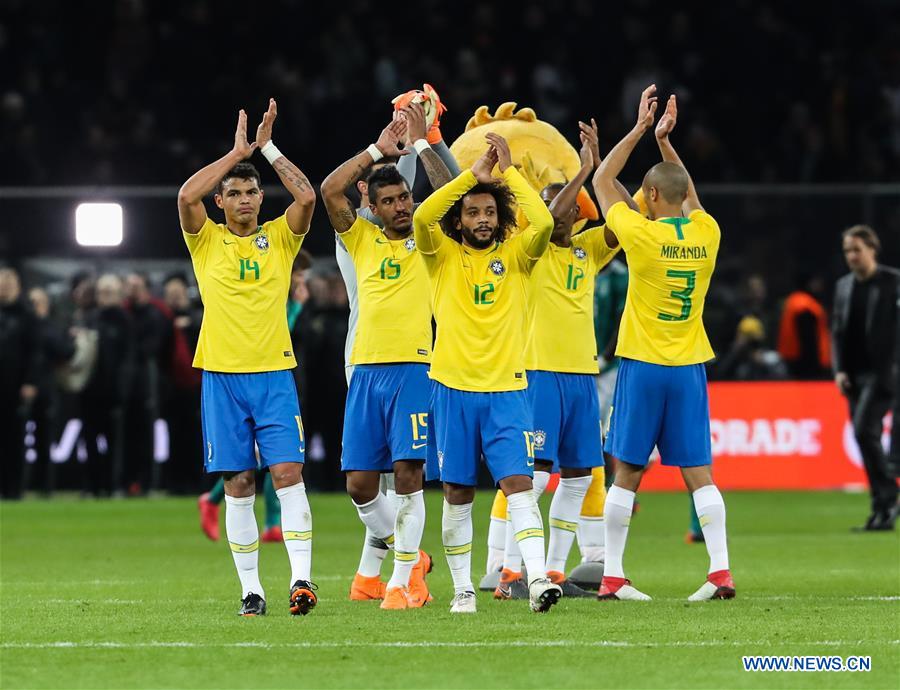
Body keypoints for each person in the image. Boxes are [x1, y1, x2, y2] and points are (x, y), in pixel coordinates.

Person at [592, 87, 734, 601]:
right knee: (699, 472)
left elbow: (603, 180)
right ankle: (720, 571)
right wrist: (666, 143)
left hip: (644, 366)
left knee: (627, 470)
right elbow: (688, 193)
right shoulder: (708, 231)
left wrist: (638, 131)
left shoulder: (642, 235)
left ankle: (612, 575)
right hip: (690, 365)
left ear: (650, 197)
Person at [177, 100, 317, 616]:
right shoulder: (205, 240)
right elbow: (185, 194)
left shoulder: (279, 237)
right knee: (238, 483)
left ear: (261, 197)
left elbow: (306, 196)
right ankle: (251, 592)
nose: (244, 199)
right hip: (221, 376)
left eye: (251, 191)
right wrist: (235, 152)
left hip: (273, 374)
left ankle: (302, 581)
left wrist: (269, 148)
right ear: (221, 202)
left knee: (287, 475)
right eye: (233, 193)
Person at [413, 133, 563, 614]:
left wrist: (508, 173)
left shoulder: (519, 256)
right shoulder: (441, 256)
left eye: (490, 212)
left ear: (500, 219)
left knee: (519, 484)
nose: (482, 220)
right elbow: (421, 216)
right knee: (457, 493)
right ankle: (461, 590)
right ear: (460, 219)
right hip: (453, 390)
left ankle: (537, 579)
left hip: (506, 393)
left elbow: (542, 219)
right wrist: (469, 179)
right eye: (473, 212)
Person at [320, 104, 452, 609]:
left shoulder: (429, 241)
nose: (401, 206)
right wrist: (378, 149)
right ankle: (410, 556)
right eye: (391, 200)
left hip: (415, 368)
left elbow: (450, 196)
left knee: (408, 477)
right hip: (366, 371)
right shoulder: (361, 240)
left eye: (406, 198)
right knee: (358, 485)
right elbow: (329, 191)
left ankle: (401, 584)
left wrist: (424, 141)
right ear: (373, 207)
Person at [831, 225, 899, 531]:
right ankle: (882, 507)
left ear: (873, 248)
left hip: (884, 373)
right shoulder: (844, 286)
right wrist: (840, 370)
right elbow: (837, 331)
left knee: (862, 430)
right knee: (864, 436)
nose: (852, 256)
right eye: (847, 251)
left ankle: (889, 496)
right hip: (854, 376)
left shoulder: (893, 283)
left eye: (857, 249)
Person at [0, 268, 40, 500]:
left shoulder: (27, 315)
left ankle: (14, 488)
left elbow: (35, 352)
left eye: (8, 284)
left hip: (15, 385)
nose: (4, 288)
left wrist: (30, 381)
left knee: (14, 439)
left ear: (17, 287)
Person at [778, 274, 831, 379]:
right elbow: (808, 340)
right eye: (817, 282)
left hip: (793, 360)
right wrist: (815, 366)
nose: (820, 285)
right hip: (806, 365)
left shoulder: (794, 300)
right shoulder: (805, 305)